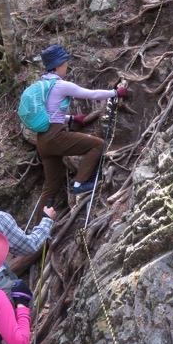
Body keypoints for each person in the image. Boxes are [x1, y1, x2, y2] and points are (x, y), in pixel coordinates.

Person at [34, 43, 128, 222]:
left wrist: (70, 119)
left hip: (43, 141)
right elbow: (90, 94)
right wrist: (115, 93)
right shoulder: (60, 85)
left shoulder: (41, 86)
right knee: (97, 144)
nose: (67, 66)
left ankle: (37, 235)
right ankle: (80, 184)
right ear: (58, 65)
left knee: (50, 187)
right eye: (65, 62)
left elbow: (48, 114)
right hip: (55, 137)